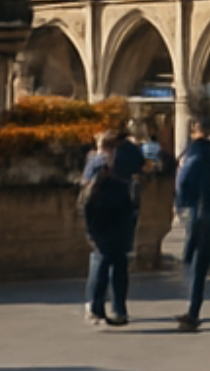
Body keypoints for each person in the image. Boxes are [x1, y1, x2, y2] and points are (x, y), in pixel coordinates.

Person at [78, 127, 136, 328]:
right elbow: (88, 196)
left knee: (114, 263)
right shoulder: (98, 163)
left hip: (112, 217)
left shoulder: (101, 162)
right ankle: (98, 307)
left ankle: (111, 308)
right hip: (105, 218)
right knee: (104, 262)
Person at [171, 120, 210, 331]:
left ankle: (193, 312)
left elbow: (184, 177)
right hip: (209, 209)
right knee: (200, 262)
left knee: (196, 261)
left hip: (198, 211)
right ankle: (193, 308)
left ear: (195, 131)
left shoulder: (195, 150)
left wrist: (180, 201)